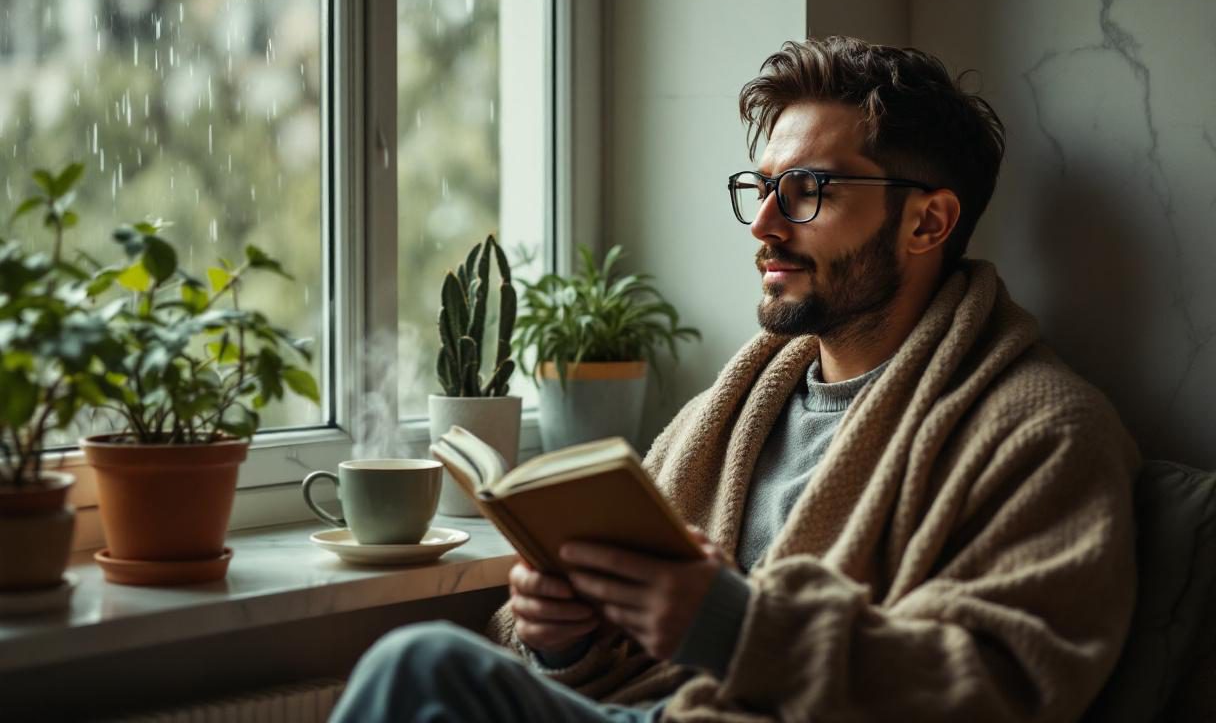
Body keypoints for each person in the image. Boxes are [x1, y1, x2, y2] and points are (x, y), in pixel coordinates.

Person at [330, 36, 1139, 722]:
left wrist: (736, 625)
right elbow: (623, 650)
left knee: (422, 667)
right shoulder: (729, 411)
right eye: (760, 188)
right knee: (426, 672)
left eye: (808, 191)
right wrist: (562, 634)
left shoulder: (1043, 431)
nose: (763, 224)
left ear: (928, 220)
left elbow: (1002, 687)